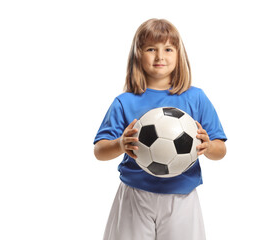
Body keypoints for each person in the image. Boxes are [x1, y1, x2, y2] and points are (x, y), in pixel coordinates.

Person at [93, 18, 227, 240]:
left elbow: (220, 149)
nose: (160, 56)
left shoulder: (196, 98)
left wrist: (209, 146)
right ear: (138, 54)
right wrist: (119, 144)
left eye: (168, 49)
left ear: (178, 54)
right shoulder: (124, 102)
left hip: (181, 196)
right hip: (135, 194)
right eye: (151, 49)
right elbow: (99, 151)